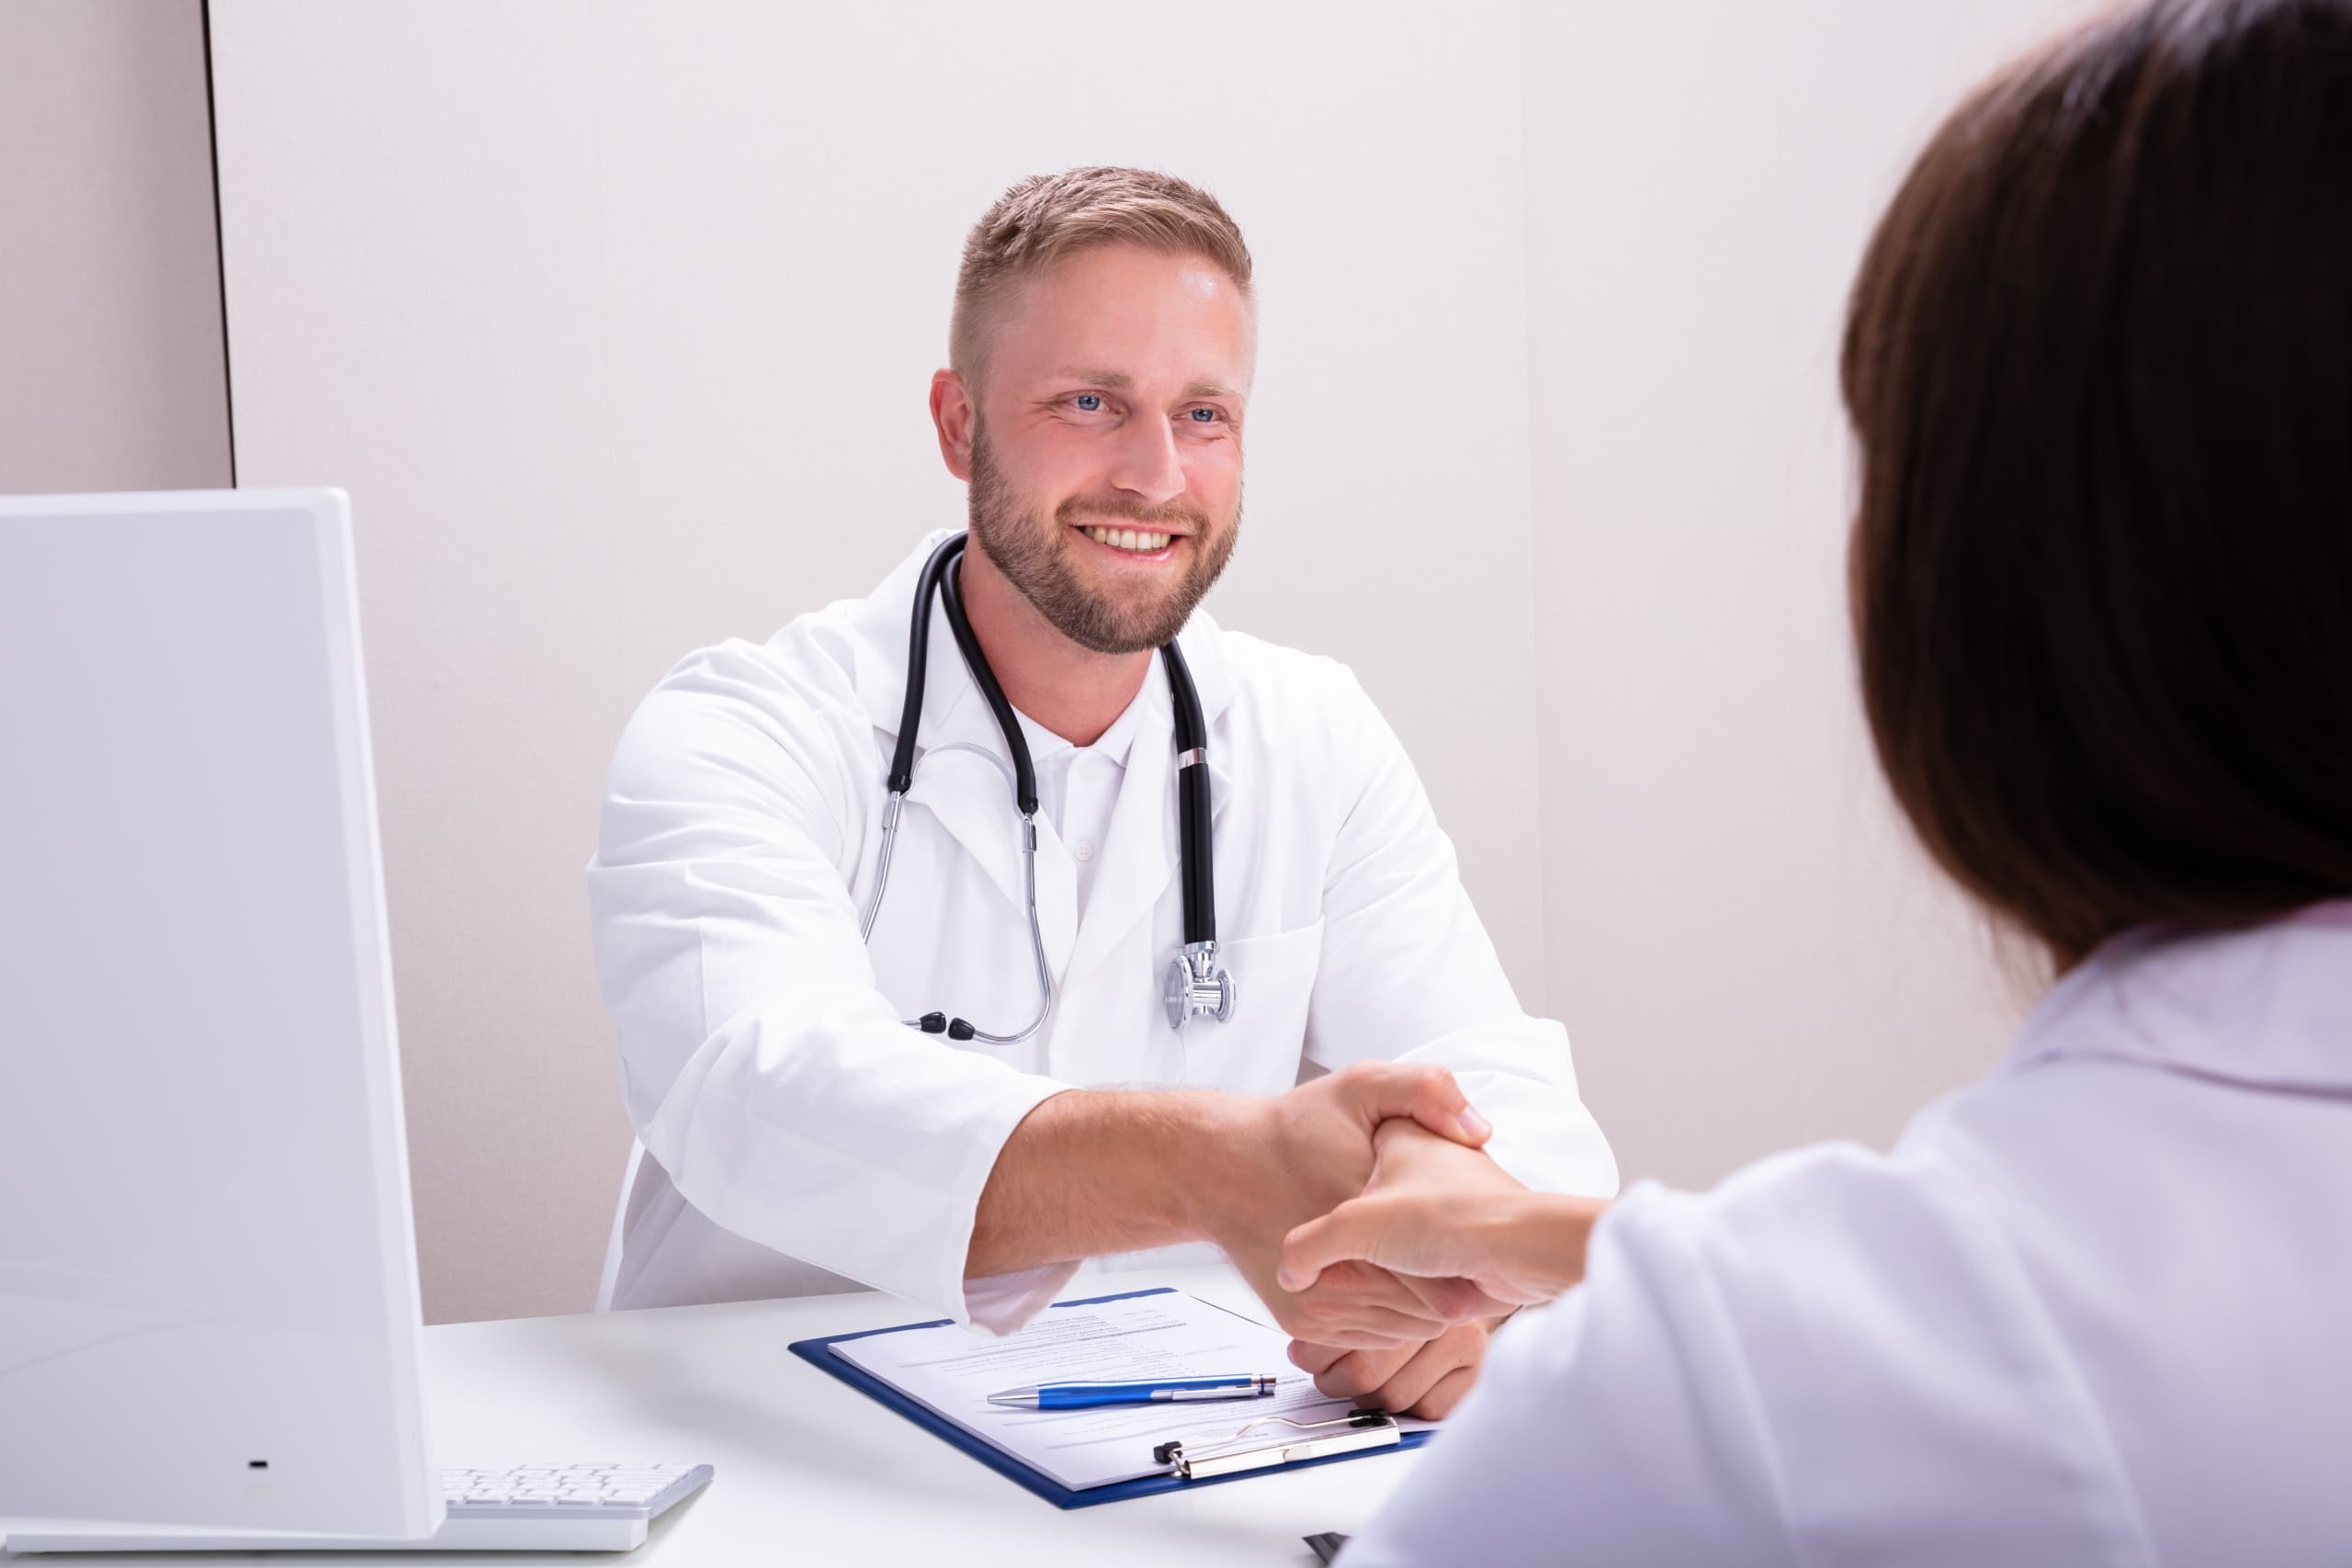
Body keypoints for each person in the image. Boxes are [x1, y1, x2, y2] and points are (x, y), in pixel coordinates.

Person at [1306, 0, 2352, 1557]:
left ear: (1959, 600)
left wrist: (1677, 1308)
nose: (1155, 470)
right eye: (1092, 402)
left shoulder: (1745, 1383)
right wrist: (1569, 1246)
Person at [586, 166, 1616, 1416]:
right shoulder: (746, 730)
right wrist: (1208, 1166)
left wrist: (1462, 1286)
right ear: (959, 422)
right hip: (768, 1441)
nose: (1157, 476)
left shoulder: (1313, 737)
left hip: (1170, 1448)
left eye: (1205, 416)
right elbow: (750, 1091)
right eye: (1090, 403)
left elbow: (1496, 1095)